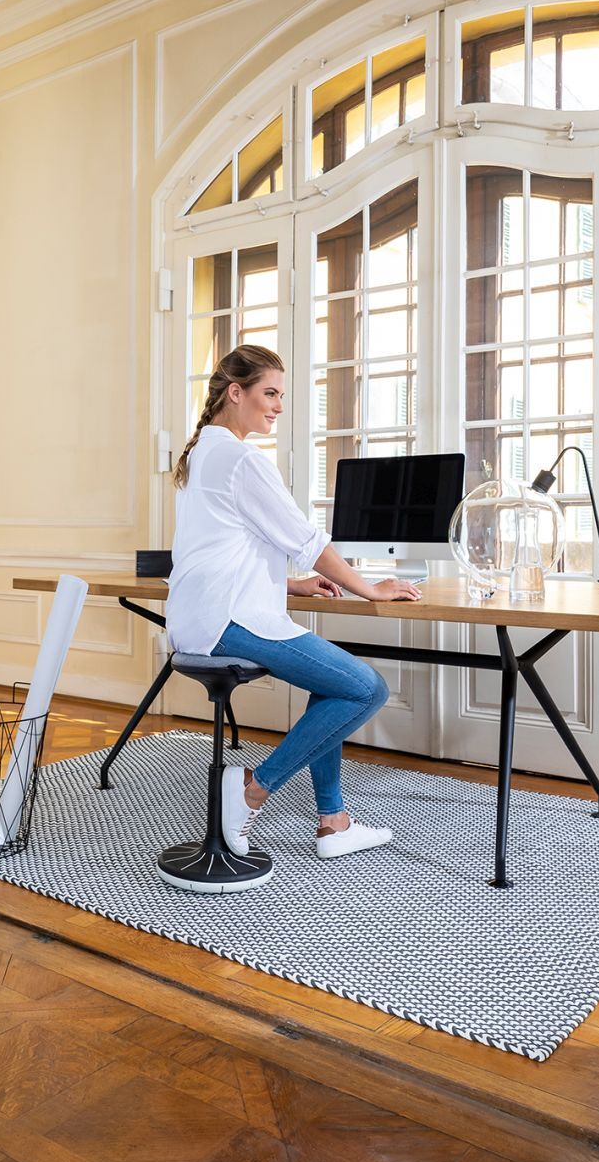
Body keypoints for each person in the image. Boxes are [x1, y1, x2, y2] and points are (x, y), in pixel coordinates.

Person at [166, 344, 422, 861]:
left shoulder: (201, 455)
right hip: (227, 620)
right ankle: (251, 792)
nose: (278, 406)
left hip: (198, 616)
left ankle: (333, 822)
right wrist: (369, 588)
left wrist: (289, 586)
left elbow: (220, 551)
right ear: (235, 393)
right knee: (365, 688)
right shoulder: (240, 459)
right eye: (270, 393)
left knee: (330, 683)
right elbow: (307, 542)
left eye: (281, 395)